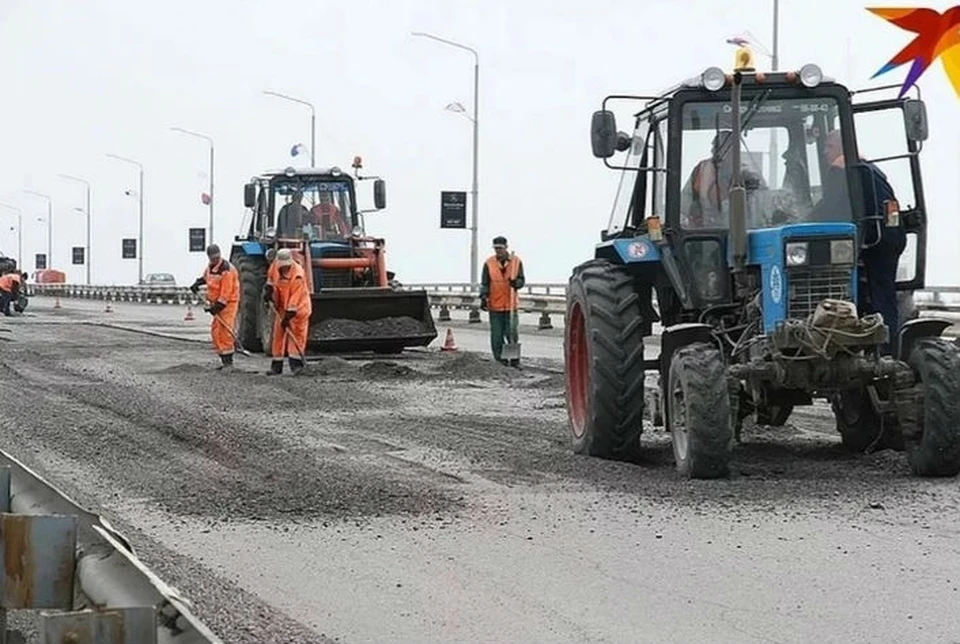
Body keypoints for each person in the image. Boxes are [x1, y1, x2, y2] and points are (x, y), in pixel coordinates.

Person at [817, 129, 906, 354]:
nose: (825, 152)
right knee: (882, 294)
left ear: (840, 146)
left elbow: (830, 206)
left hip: (875, 241)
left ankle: (881, 353)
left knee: (871, 295)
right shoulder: (870, 169)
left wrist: (801, 220)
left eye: (828, 147)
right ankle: (885, 351)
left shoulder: (841, 169)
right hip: (888, 236)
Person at [683, 130, 766, 228]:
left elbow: (762, 209)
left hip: (742, 232)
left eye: (725, 147)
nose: (715, 151)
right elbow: (684, 204)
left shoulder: (750, 176)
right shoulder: (700, 171)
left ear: (736, 150)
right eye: (715, 147)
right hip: (705, 234)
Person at [189, 244, 240, 370]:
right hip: (217, 303)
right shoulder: (210, 267)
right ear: (209, 257)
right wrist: (198, 283)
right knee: (216, 332)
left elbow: (226, 293)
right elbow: (207, 278)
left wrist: (215, 308)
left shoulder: (227, 269)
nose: (215, 260)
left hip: (228, 304)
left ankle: (229, 363)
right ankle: (223, 360)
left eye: (217, 257)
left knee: (225, 331)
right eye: (213, 258)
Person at [264, 248, 312, 375]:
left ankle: (296, 365)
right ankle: (276, 365)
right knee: (278, 336)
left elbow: (295, 299)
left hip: (298, 310)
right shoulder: (275, 266)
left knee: (297, 336)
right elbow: (270, 278)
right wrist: (268, 290)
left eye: (287, 266)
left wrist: (288, 317)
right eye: (282, 265)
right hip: (281, 306)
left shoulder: (298, 275)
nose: (284, 268)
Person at [479, 236, 525, 367]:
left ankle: (514, 360)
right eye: (496, 248)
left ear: (506, 247)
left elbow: (522, 280)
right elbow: (485, 283)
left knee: (511, 333)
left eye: (500, 248)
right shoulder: (489, 263)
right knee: (497, 335)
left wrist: (516, 283)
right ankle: (500, 360)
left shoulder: (516, 262)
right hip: (495, 305)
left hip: (511, 305)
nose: (498, 251)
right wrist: (483, 297)